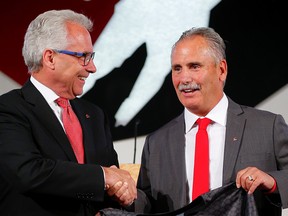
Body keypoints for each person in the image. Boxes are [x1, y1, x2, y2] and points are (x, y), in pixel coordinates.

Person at [134, 27, 288, 215]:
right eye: (177, 69)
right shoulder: (156, 143)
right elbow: (147, 205)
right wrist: (124, 192)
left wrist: (272, 182)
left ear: (221, 70)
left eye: (194, 66)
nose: (184, 78)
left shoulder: (267, 127)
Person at [0, 9, 137, 216]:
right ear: (50, 58)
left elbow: (112, 178)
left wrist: (120, 191)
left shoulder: (95, 116)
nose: (92, 68)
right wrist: (103, 177)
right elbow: (28, 172)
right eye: (83, 56)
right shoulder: (9, 109)